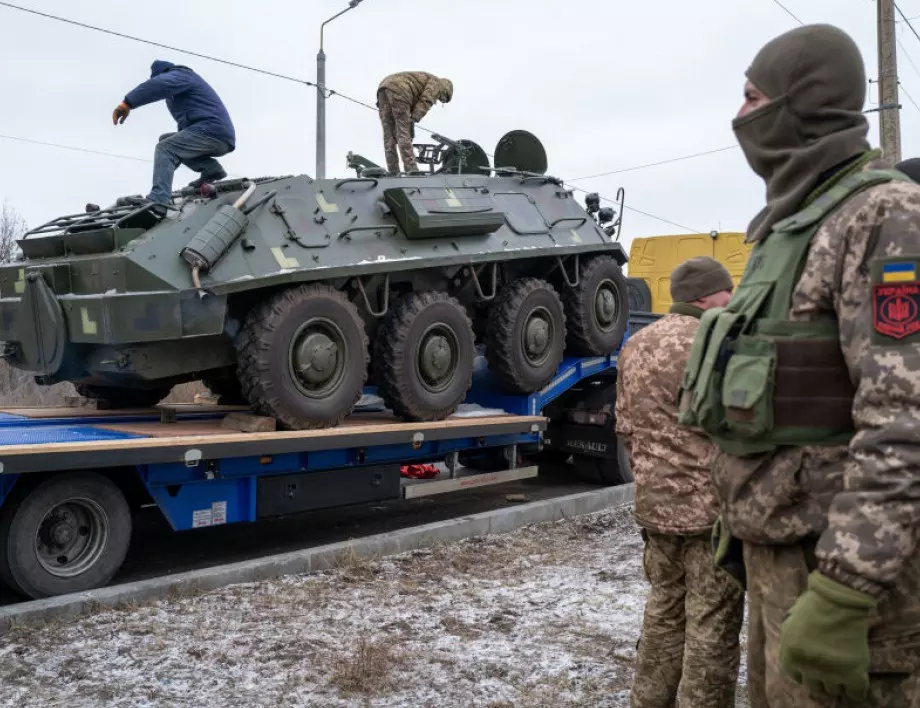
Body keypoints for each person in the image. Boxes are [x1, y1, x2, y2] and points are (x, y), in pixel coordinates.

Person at [677, 23, 920, 706]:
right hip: (783, 571)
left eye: (754, 97)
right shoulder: (791, 228)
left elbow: (904, 422)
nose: (739, 116)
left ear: (802, 104)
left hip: (853, 592)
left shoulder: (884, 216)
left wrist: (846, 589)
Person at [615, 256, 744, 708]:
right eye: (727, 292)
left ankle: (647, 700)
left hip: (655, 508)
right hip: (711, 514)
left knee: (664, 612)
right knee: (712, 624)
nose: (732, 300)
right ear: (706, 295)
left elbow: (625, 427)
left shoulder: (637, 344)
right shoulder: (717, 344)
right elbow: (739, 428)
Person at [113, 60, 236, 209]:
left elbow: (158, 85)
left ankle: (159, 200)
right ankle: (211, 170)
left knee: (165, 148)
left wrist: (127, 103)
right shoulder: (180, 90)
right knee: (166, 140)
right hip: (214, 133)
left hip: (211, 130)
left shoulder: (180, 75)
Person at [376, 71, 453, 174]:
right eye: (443, 98)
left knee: (388, 135)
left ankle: (393, 171)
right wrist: (414, 118)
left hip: (383, 87)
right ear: (445, 88)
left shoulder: (425, 79)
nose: (440, 99)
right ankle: (412, 169)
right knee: (403, 133)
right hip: (401, 89)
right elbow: (426, 100)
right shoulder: (437, 83)